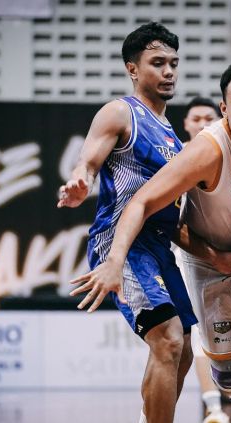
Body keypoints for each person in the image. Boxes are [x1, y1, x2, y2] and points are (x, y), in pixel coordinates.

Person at [69, 61, 231, 423]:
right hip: (209, 260)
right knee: (226, 372)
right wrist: (116, 259)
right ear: (224, 109)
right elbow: (142, 203)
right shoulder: (203, 152)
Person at [57, 22, 196, 423]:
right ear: (133, 69)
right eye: (157, 63)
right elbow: (88, 159)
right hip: (121, 243)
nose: (168, 71)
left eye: (173, 63)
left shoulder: (173, 136)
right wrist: (81, 179)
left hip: (159, 248)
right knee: (168, 340)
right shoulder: (121, 112)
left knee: (183, 348)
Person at [179, 96, 231, 423]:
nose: (200, 123)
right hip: (193, 256)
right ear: (186, 124)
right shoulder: (177, 156)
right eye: (194, 118)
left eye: (206, 117)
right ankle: (213, 408)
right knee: (200, 333)